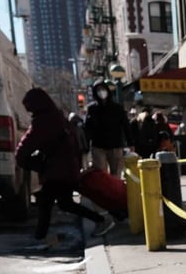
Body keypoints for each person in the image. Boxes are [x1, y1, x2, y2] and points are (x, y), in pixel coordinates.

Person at [15, 88, 113, 248]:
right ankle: (102, 219)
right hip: (66, 168)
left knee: (47, 203)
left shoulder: (43, 121)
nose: (29, 111)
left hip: (56, 170)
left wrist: (21, 157)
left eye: (29, 107)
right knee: (64, 203)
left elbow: (26, 144)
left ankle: (40, 237)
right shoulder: (58, 117)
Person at [84, 80, 129, 176]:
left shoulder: (117, 108)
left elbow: (126, 125)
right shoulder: (92, 109)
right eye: (98, 90)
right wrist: (86, 146)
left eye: (103, 89)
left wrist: (131, 143)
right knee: (101, 175)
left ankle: (115, 191)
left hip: (115, 146)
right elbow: (87, 129)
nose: (101, 92)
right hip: (98, 147)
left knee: (116, 174)